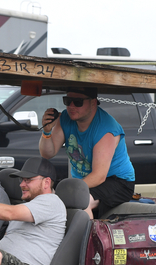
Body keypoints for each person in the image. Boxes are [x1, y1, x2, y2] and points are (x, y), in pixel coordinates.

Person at [39, 87, 136, 219]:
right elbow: (48, 154)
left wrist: (69, 190)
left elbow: (99, 176)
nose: (71, 106)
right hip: (84, 181)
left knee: (80, 202)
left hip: (117, 182)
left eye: (78, 102)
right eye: (68, 101)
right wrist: (46, 132)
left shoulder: (106, 128)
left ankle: (88, 238)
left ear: (93, 103)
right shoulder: (65, 119)